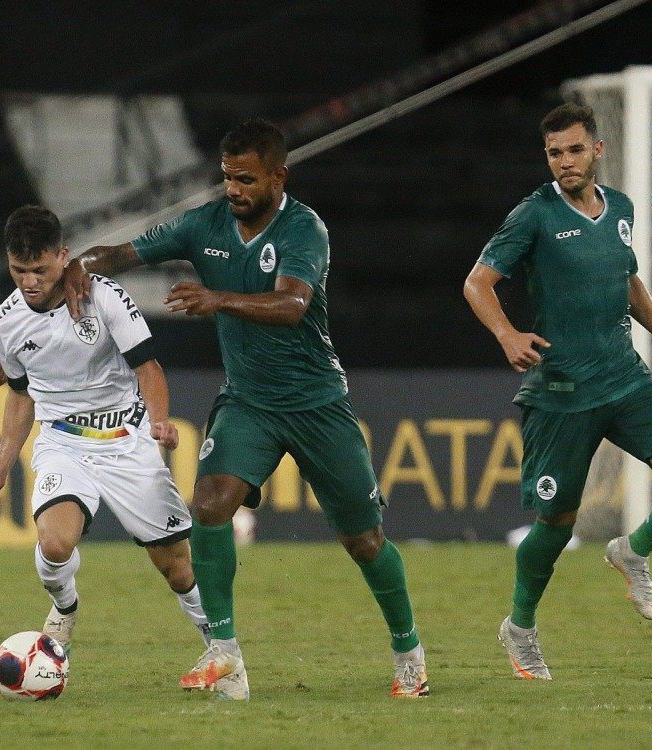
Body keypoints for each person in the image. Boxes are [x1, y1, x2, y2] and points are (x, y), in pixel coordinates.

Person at [61, 119, 429, 699]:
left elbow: (291, 305)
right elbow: (124, 252)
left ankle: (409, 651)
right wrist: (77, 267)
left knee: (364, 540)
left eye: (246, 179)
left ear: (278, 177)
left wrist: (217, 299)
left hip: (316, 404)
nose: (233, 189)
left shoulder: (304, 229)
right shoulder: (203, 224)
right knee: (209, 506)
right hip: (249, 402)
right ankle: (224, 652)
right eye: (228, 177)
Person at [463, 102, 652, 681]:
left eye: (575, 149)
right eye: (555, 153)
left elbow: (627, 281)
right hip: (562, 392)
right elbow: (478, 282)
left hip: (624, 379)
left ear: (597, 150)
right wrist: (507, 335)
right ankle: (520, 627)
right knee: (556, 527)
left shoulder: (620, 209)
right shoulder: (534, 214)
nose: (565, 161)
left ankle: (632, 549)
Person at [0, 205, 211, 666]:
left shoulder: (103, 296)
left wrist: (160, 421)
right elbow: (20, 397)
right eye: (18, 271)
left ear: (62, 256)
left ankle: (218, 647)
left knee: (175, 567)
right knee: (54, 544)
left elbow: (148, 367)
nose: (29, 282)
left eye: (39, 270)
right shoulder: (7, 322)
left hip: (126, 436)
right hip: (63, 441)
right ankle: (65, 608)